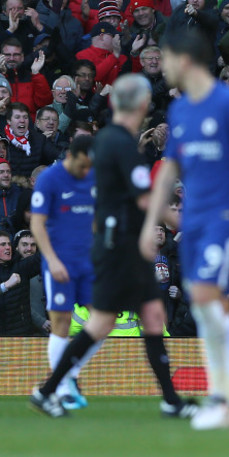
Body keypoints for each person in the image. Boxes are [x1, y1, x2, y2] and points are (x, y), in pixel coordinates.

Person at [30, 74, 196, 420]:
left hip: (118, 245)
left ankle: (170, 400)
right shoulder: (119, 143)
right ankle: (47, 390)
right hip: (119, 246)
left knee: (149, 317)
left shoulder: (110, 142)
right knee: (102, 323)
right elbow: (144, 198)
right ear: (142, 105)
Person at [140, 30, 229, 429]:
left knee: (206, 296)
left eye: (165, 58)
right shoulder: (180, 111)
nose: (162, 67)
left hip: (225, 218)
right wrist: (151, 221)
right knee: (204, 304)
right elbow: (169, 171)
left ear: (183, 60)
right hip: (194, 221)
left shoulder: (228, 104)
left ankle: (228, 400)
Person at [30, 135, 100, 410]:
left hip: (88, 263)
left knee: (103, 320)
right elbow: (37, 224)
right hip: (59, 263)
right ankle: (62, 386)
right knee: (61, 323)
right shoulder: (50, 179)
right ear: (71, 156)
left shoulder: (92, 176)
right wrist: (52, 260)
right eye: (82, 166)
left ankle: (68, 375)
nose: (86, 172)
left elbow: (94, 219)